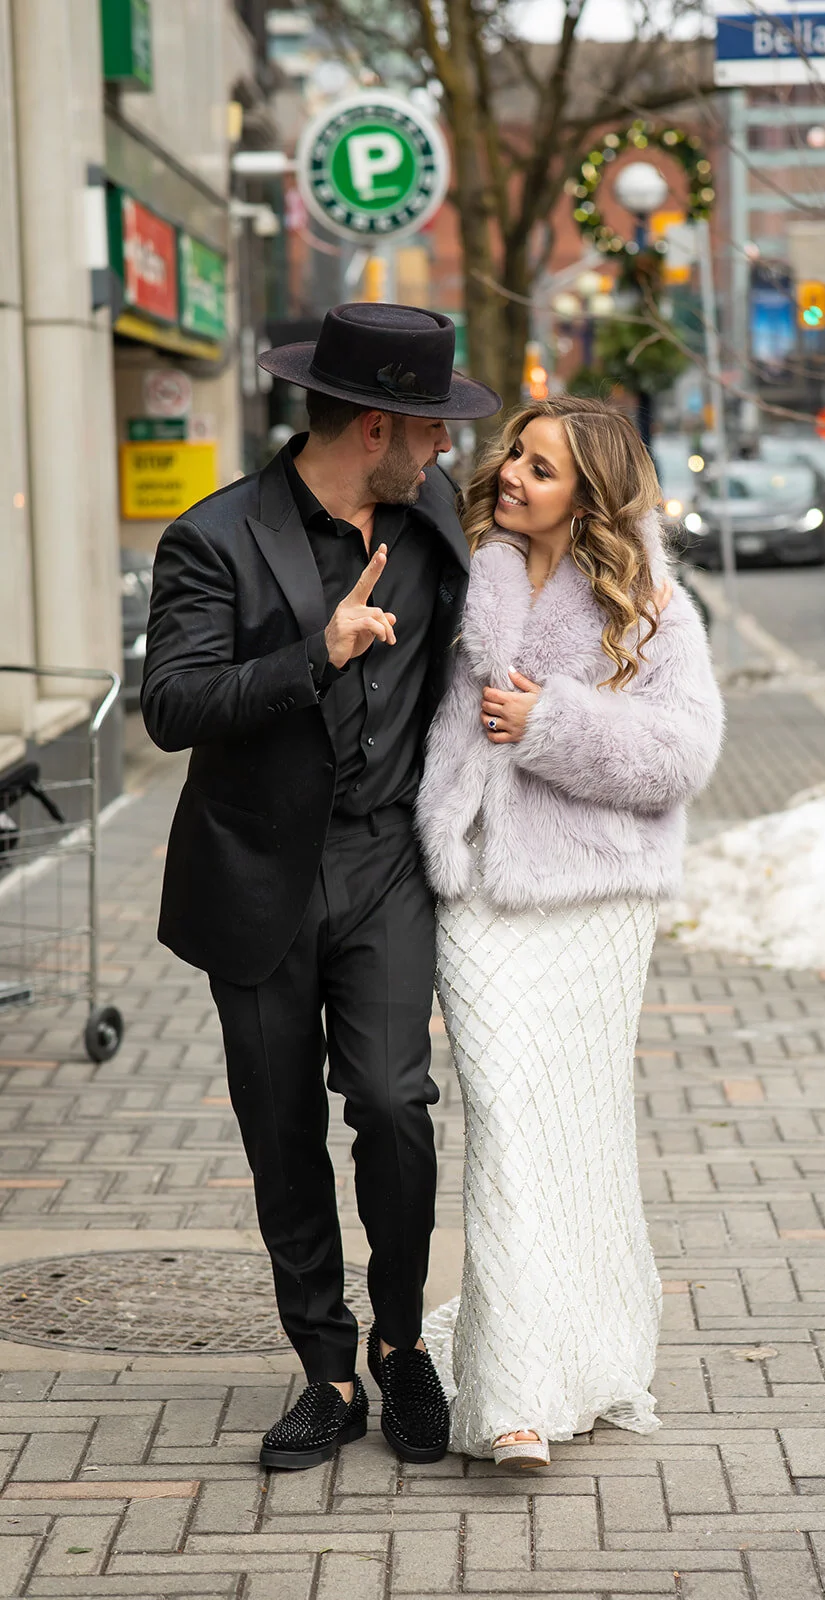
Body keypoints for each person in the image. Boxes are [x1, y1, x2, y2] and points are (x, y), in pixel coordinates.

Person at [140, 303, 501, 1471]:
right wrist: (316, 656)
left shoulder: (434, 512)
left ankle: (401, 1348)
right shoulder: (213, 538)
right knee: (280, 1127)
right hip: (257, 874)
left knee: (395, 1103)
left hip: (386, 858)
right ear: (373, 425)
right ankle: (326, 1369)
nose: (446, 448)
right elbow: (172, 706)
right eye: (431, 428)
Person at [416, 395, 724, 1466]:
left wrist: (548, 721)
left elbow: (682, 756)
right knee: (503, 1118)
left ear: (586, 494)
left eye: (540, 470)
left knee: (573, 1130)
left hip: (594, 905)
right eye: (514, 457)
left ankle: (562, 1353)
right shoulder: (471, 573)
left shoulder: (650, 607)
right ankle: (510, 1394)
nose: (511, 476)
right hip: (479, 896)